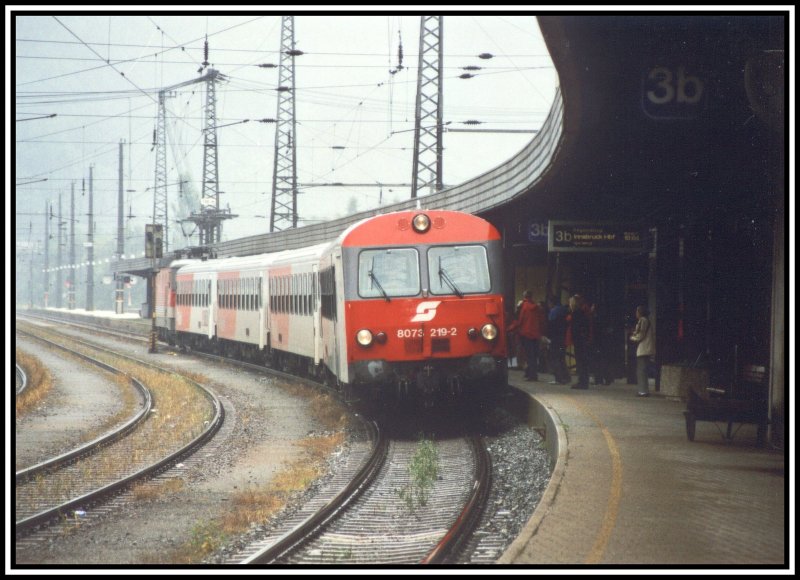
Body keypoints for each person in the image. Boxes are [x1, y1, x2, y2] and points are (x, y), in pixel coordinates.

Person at [507, 290, 545, 381]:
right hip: (536, 334)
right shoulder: (537, 308)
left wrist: (508, 329)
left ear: (524, 296)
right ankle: (532, 373)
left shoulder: (523, 307)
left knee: (528, 355)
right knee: (534, 356)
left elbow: (519, 321)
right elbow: (542, 321)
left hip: (526, 334)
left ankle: (531, 375)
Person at [629, 305, 655, 397]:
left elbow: (641, 334)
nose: (636, 313)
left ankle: (643, 391)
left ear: (640, 312)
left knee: (641, 371)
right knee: (642, 370)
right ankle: (643, 390)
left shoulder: (643, 320)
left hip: (644, 348)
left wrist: (632, 338)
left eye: (637, 311)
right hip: (646, 347)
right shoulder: (645, 320)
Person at [546, 296, 570, 384]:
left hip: (555, 338)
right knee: (561, 358)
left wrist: (548, 338)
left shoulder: (553, 312)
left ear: (551, 303)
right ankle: (566, 377)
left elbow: (551, 326)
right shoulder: (564, 310)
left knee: (554, 358)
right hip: (563, 337)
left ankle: (558, 379)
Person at [569, 294, 591, 389]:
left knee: (580, 361)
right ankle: (584, 381)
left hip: (579, 340)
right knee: (583, 361)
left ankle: (582, 382)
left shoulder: (575, 314)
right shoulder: (583, 313)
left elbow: (575, 328)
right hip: (583, 339)